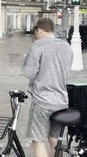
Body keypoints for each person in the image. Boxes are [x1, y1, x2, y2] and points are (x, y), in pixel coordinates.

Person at [21, 18, 73, 157]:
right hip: (61, 101)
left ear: (39, 30)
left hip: (42, 101)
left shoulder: (37, 46)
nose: (35, 35)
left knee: (37, 141)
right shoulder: (66, 46)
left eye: (35, 32)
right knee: (54, 139)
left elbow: (28, 72)